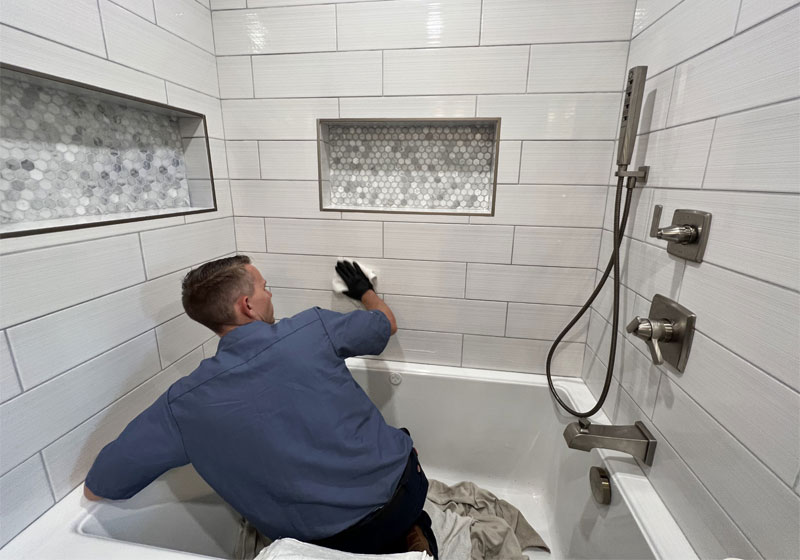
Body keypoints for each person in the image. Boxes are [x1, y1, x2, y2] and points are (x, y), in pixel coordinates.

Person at [83, 255, 437, 557]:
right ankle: (412, 533)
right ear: (247, 305)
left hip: (325, 541)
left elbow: (99, 485)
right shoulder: (311, 329)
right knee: (397, 454)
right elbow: (385, 323)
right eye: (265, 288)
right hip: (405, 492)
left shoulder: (183, 404)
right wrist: (364, 292)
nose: (270, 295)